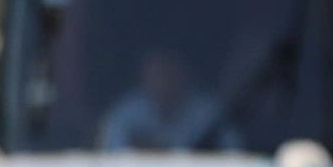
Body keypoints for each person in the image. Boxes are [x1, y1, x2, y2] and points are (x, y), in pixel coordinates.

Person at [99, 49, 238, 150]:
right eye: (154, 77)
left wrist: (166, 149)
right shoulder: (126, 114)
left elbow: (234, 157)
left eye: (166, 76)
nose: (161, 85)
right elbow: (110, 161)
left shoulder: (209, 114)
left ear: (183, 76)